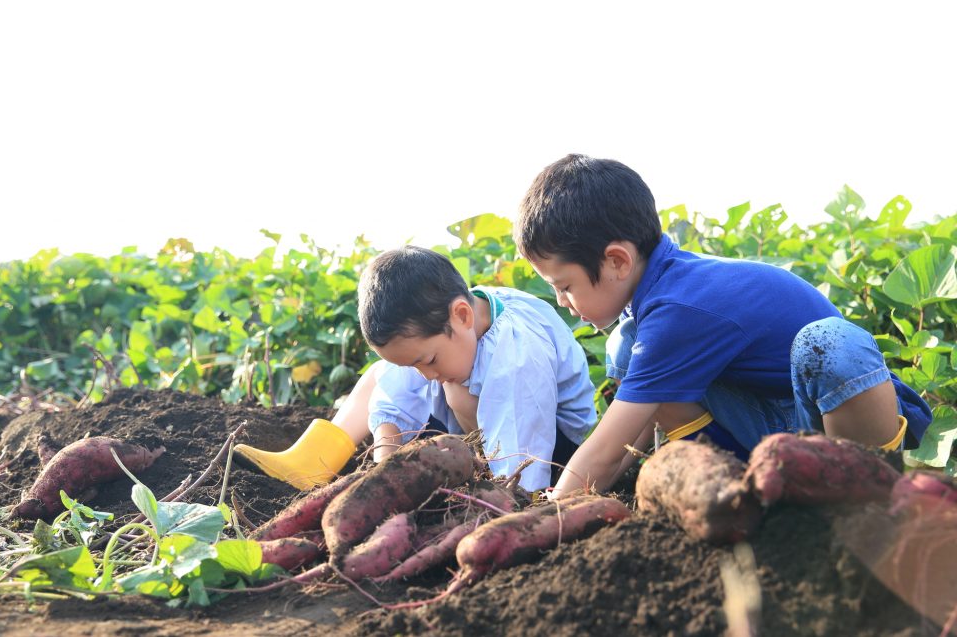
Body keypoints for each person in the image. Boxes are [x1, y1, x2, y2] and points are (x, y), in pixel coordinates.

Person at [512, 153, 933, 499]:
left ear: (617, 261)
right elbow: (627, 438)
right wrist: (585, 496)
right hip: (770, 427)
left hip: (828, 419)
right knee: (627, 347)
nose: (564, 304)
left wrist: (554, 508)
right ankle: (745, 491)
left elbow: (603, 449)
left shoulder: (681, 305)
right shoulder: (652, 304)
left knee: (829, 344)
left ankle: (858, 497)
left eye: (564, 287)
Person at [233, 245, 597, 492]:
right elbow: (396, 388)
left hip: (551, 451)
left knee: (458, 391)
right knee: (380, 376)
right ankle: (312, 463)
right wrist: (382, 476)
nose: (425, 372)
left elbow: (528, 459)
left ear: (463, 315)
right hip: (493, 422)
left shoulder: (517, 359)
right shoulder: (453, 322)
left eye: (429, 360)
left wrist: (511, 498)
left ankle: (485, 476)